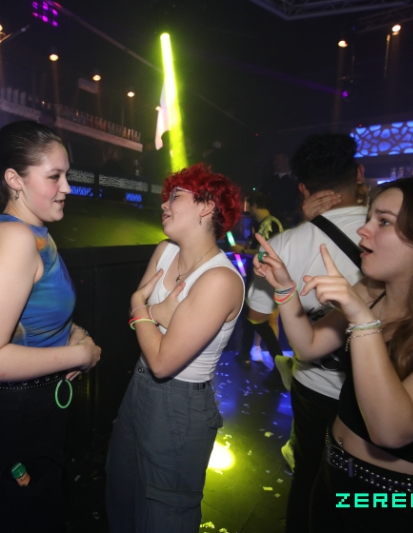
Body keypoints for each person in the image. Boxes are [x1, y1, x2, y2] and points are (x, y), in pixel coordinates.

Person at [253, 173, 413, 532]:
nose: (363, 230)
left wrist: (362, 321)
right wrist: (285, 289)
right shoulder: (374, 289)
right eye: (370, 218)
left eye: (384, 222)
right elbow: (309, 346)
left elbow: (392, 431)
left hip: (396, 500)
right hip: (331, 473)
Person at [0, 120, 101, 533]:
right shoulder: (14, 240)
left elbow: (34, 312)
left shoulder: (36, 232)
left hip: (34, 414)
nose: (67, 187)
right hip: (13, 422)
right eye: (54, 176)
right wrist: (79, 355)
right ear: (13, 180)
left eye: (67, 175)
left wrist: (71, 332)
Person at [105, 163, 244, 532]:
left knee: (164, 513)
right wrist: (149, 313)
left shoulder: (220, 279)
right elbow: (141, 323)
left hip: (180, 403)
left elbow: (163, 360)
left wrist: (141, 306)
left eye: (176, 196)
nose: (164, 204)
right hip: (139, 386)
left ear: (207, 206)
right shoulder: (164, 251)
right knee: (121, 491)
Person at [247, 133, 368, 532]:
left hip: (316, 386)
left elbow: (256, 314)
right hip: (380, 389)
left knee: (310, 475)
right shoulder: (394, 233)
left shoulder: (286, 243)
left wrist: (303, 230)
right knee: (364, 492)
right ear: (359, 174)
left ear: (303, 187)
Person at [232, 191, 284, 366]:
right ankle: (246, 353)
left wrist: (243, 251)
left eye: (250, 207)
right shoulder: (261, 225)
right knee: (250, 318)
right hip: (258, 279)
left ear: (254, 206)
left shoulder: (271, 224)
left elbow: (267, 254)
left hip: (265, 281)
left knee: (259, 320)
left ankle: (277, 359)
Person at [259, 153, 302, 227]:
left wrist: (293, 215)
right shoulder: (270, 180)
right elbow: (262, 196)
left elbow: (300, 199)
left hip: (290, 220)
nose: (275, 162)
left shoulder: (296, 180)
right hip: (272, 219)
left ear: (286, 160)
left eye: (277, 159)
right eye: (275, 160)